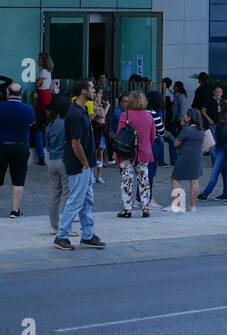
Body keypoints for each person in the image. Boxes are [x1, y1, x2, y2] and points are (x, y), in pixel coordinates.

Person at [54, 81, 105, 250]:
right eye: (91, 88)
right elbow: (75, 143)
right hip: (79, 165)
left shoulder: (81, 111)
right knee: (76, 200)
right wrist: (84, 163)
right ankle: (62, 236)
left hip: (85, 165)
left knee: (86, 200)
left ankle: (88, 235)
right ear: (84, 91)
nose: (94, 91)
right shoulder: (75, 114)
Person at [0, 84, 32, 218]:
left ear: (7, 93)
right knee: (18, 179)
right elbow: (31, 122)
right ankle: (14, 209)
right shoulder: (28, 109)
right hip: (20, 146)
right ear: (21, 94)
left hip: (0, 145)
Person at [114, 90, 156, 218]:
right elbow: (153, 136)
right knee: (144, 180)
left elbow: (119, 135)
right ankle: (145, 207)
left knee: (127, 180)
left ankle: (127, 209)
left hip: (127, 152)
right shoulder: (149, 116)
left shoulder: (125, 115)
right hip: (143, 152)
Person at [43, 96, 73, 236]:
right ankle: (66, 227)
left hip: (52, 160)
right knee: (68, 194)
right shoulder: (68, 123)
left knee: (54, 194)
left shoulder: (50, 124)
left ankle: (53, 226)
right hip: (65, 160)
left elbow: (47, 145)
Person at [171, 107, 205, 213]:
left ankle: (178, 205)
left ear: (190, 118)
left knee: (175, 179)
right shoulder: (201, 130)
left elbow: (176, 143)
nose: (185, 116)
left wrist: (182, 126)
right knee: (194, 180)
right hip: (197, 157)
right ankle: (192, 205)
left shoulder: (187, 130)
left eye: (187, 115)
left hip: (185, 157)